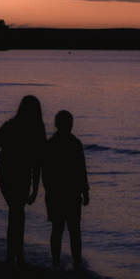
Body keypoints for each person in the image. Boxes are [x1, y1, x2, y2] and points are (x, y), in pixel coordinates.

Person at [0, 95, 46, 265]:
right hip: (11, 175)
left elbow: (37, 162)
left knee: (16, 213)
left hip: (13, 175)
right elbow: (37, 163)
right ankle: (15, 255)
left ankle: (14, 254)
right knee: (17, 212)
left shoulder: (11, 127)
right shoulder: (29, 130)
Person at [42, 110, 91, 270]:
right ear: (70, 125)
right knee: (74, 230)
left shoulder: (50, 144)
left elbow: (46, 172)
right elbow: (81, 170)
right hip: (71, 194)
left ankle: (56, 262)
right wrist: (85, 192)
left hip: (55, 194)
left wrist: (48, 190)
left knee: (57, 229)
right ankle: (77, 264)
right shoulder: (75, 144)